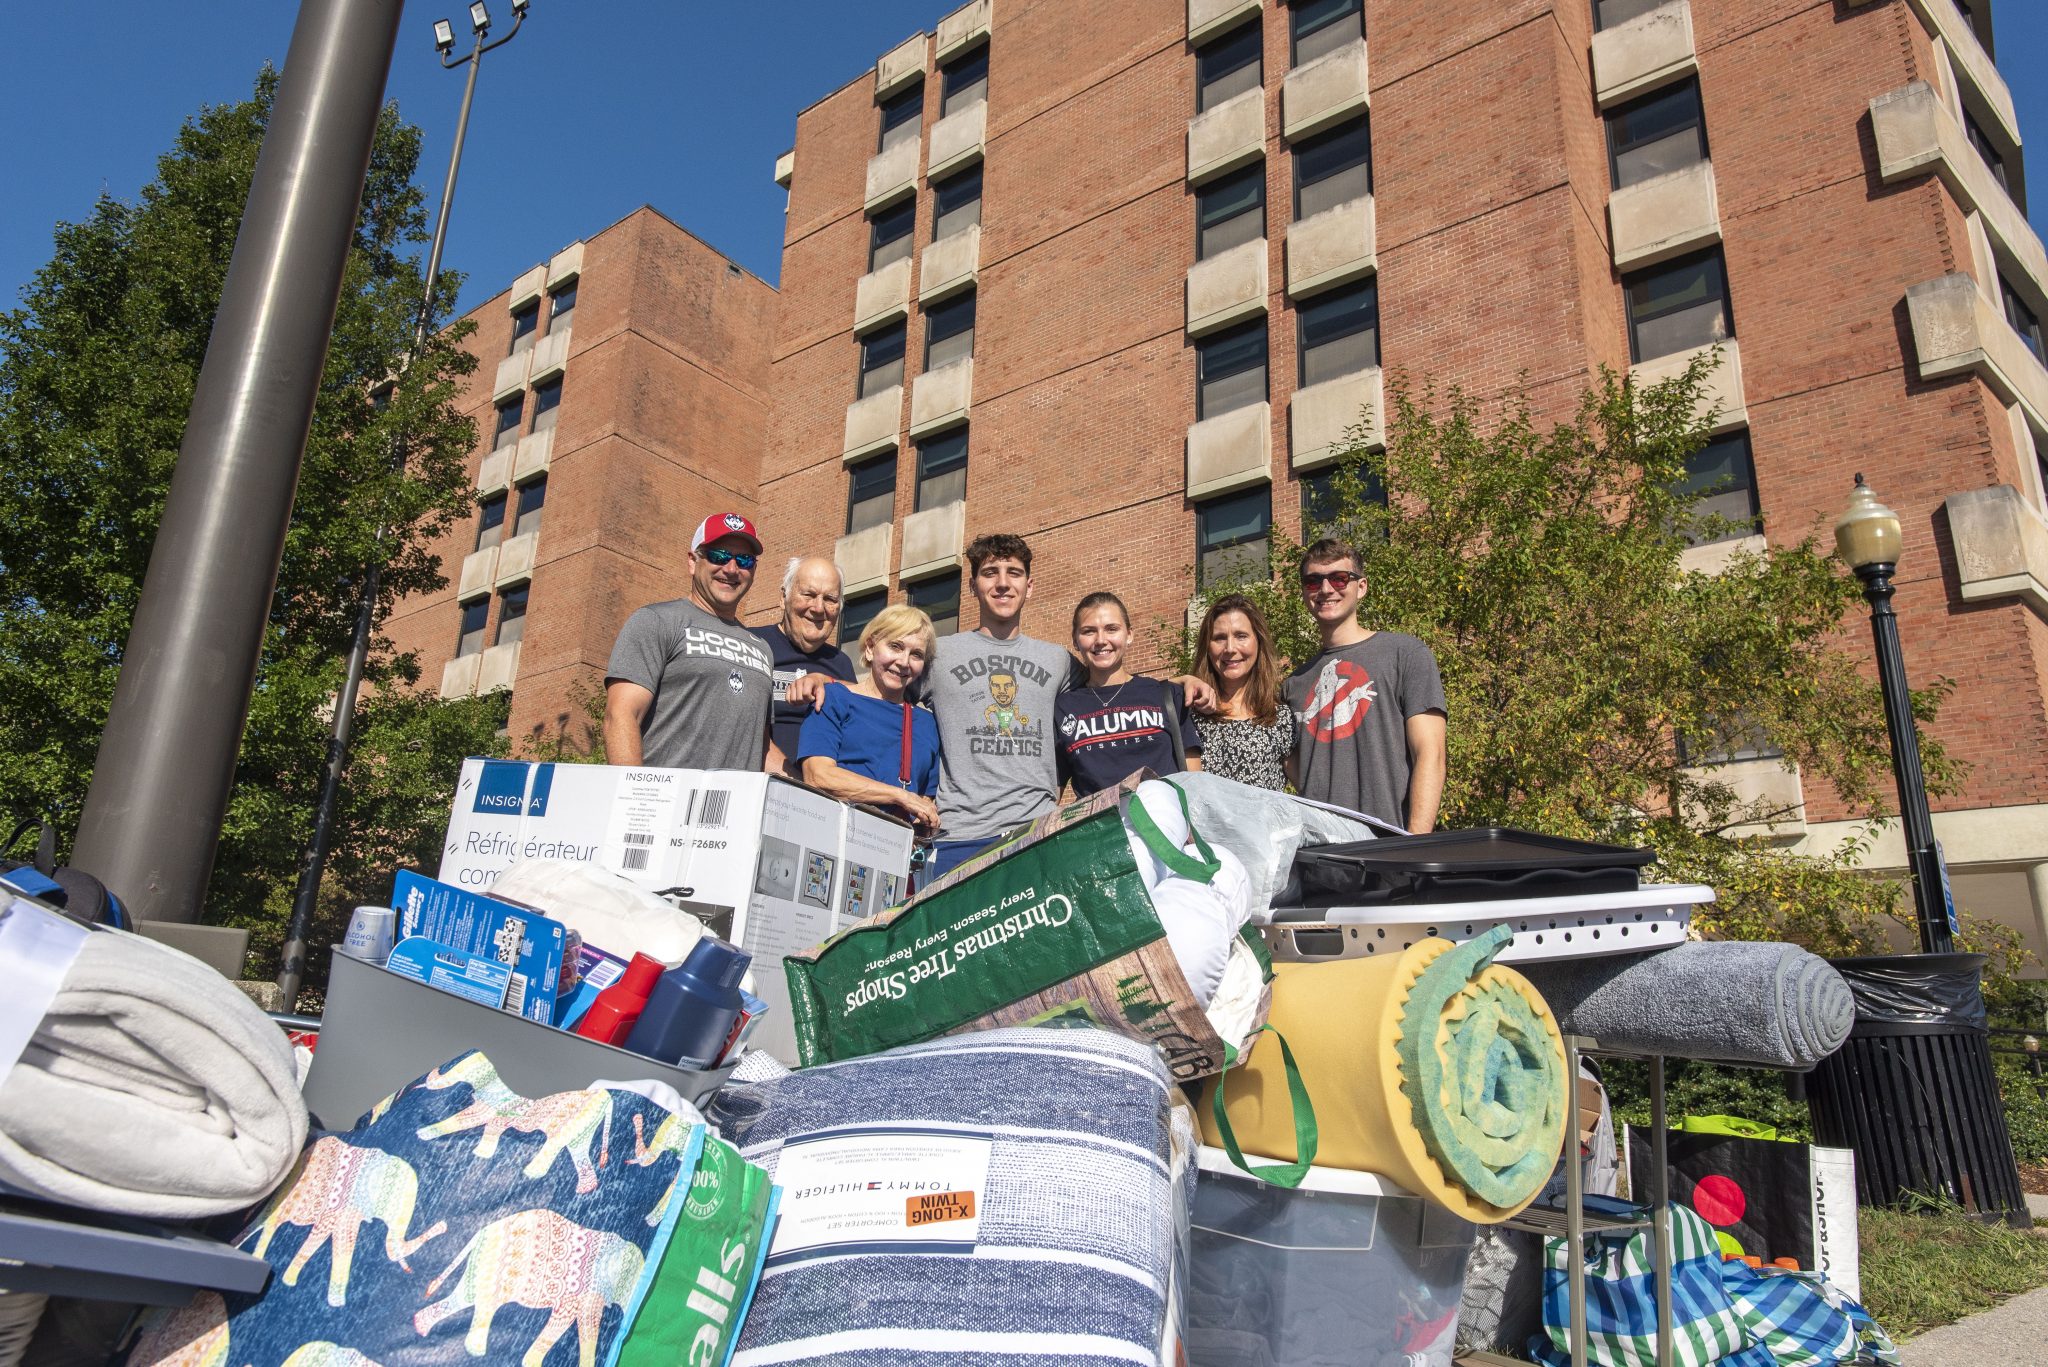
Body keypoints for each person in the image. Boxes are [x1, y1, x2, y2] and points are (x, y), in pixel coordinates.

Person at [1282, 538, 1448, 831]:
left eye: (1339, 578)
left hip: (1390, 851)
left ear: (1361, 587)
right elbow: (1295, 767)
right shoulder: (1293, 684)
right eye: (1313, 581)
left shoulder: (1406, 654)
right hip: (1321, 856)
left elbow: (1430, 753)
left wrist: (1416, 845)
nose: (1326, 589)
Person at [603, 512, 780, 771]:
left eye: (744, 560)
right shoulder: (656, 620)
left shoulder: (762, 649)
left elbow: (761, 748)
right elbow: (620, 715)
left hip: (734, 808)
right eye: (718, 556)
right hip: (666, 802)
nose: (731, 569)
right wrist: (633, 801)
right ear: (692, 562)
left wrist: (820, 796)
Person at [796, 604, 941, 836]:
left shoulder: (926, 723)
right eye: (895, 646)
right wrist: (900, 796)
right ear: (871, 647)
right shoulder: (833, 699)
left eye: (916, 654)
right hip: (833, 841)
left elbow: (925, 798)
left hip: (896, 855)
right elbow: (818, 776)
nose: (904, 662)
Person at [1055, 592, 1202, 795]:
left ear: (1129, 634)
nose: (1101, 640)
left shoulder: (1168, 696)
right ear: (1075, 640)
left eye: (1111, 629)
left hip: (1163, 823)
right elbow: (1055, 788)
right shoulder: (1064, 707)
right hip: (1101, 826)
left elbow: (1195, 784)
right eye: (1089, 631)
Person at [753, 555, 855, 778]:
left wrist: (827, 681)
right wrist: (801, 785)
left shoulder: (842, 663)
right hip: (762, 787)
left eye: (830, 599)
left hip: (828, 795)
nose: (818, 608)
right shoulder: (752, 644)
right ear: (783, 597)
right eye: (808, 594)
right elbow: (746, 734)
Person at [1188, 594, 1294, 791]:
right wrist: (1183, 680)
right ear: (1207, 647)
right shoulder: (1189, 714)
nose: (1230, 648)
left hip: (1269, 822)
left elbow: (1310, 789)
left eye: (1241, 636)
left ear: (1258, 641)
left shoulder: (1280, 718)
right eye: (1219, 638)